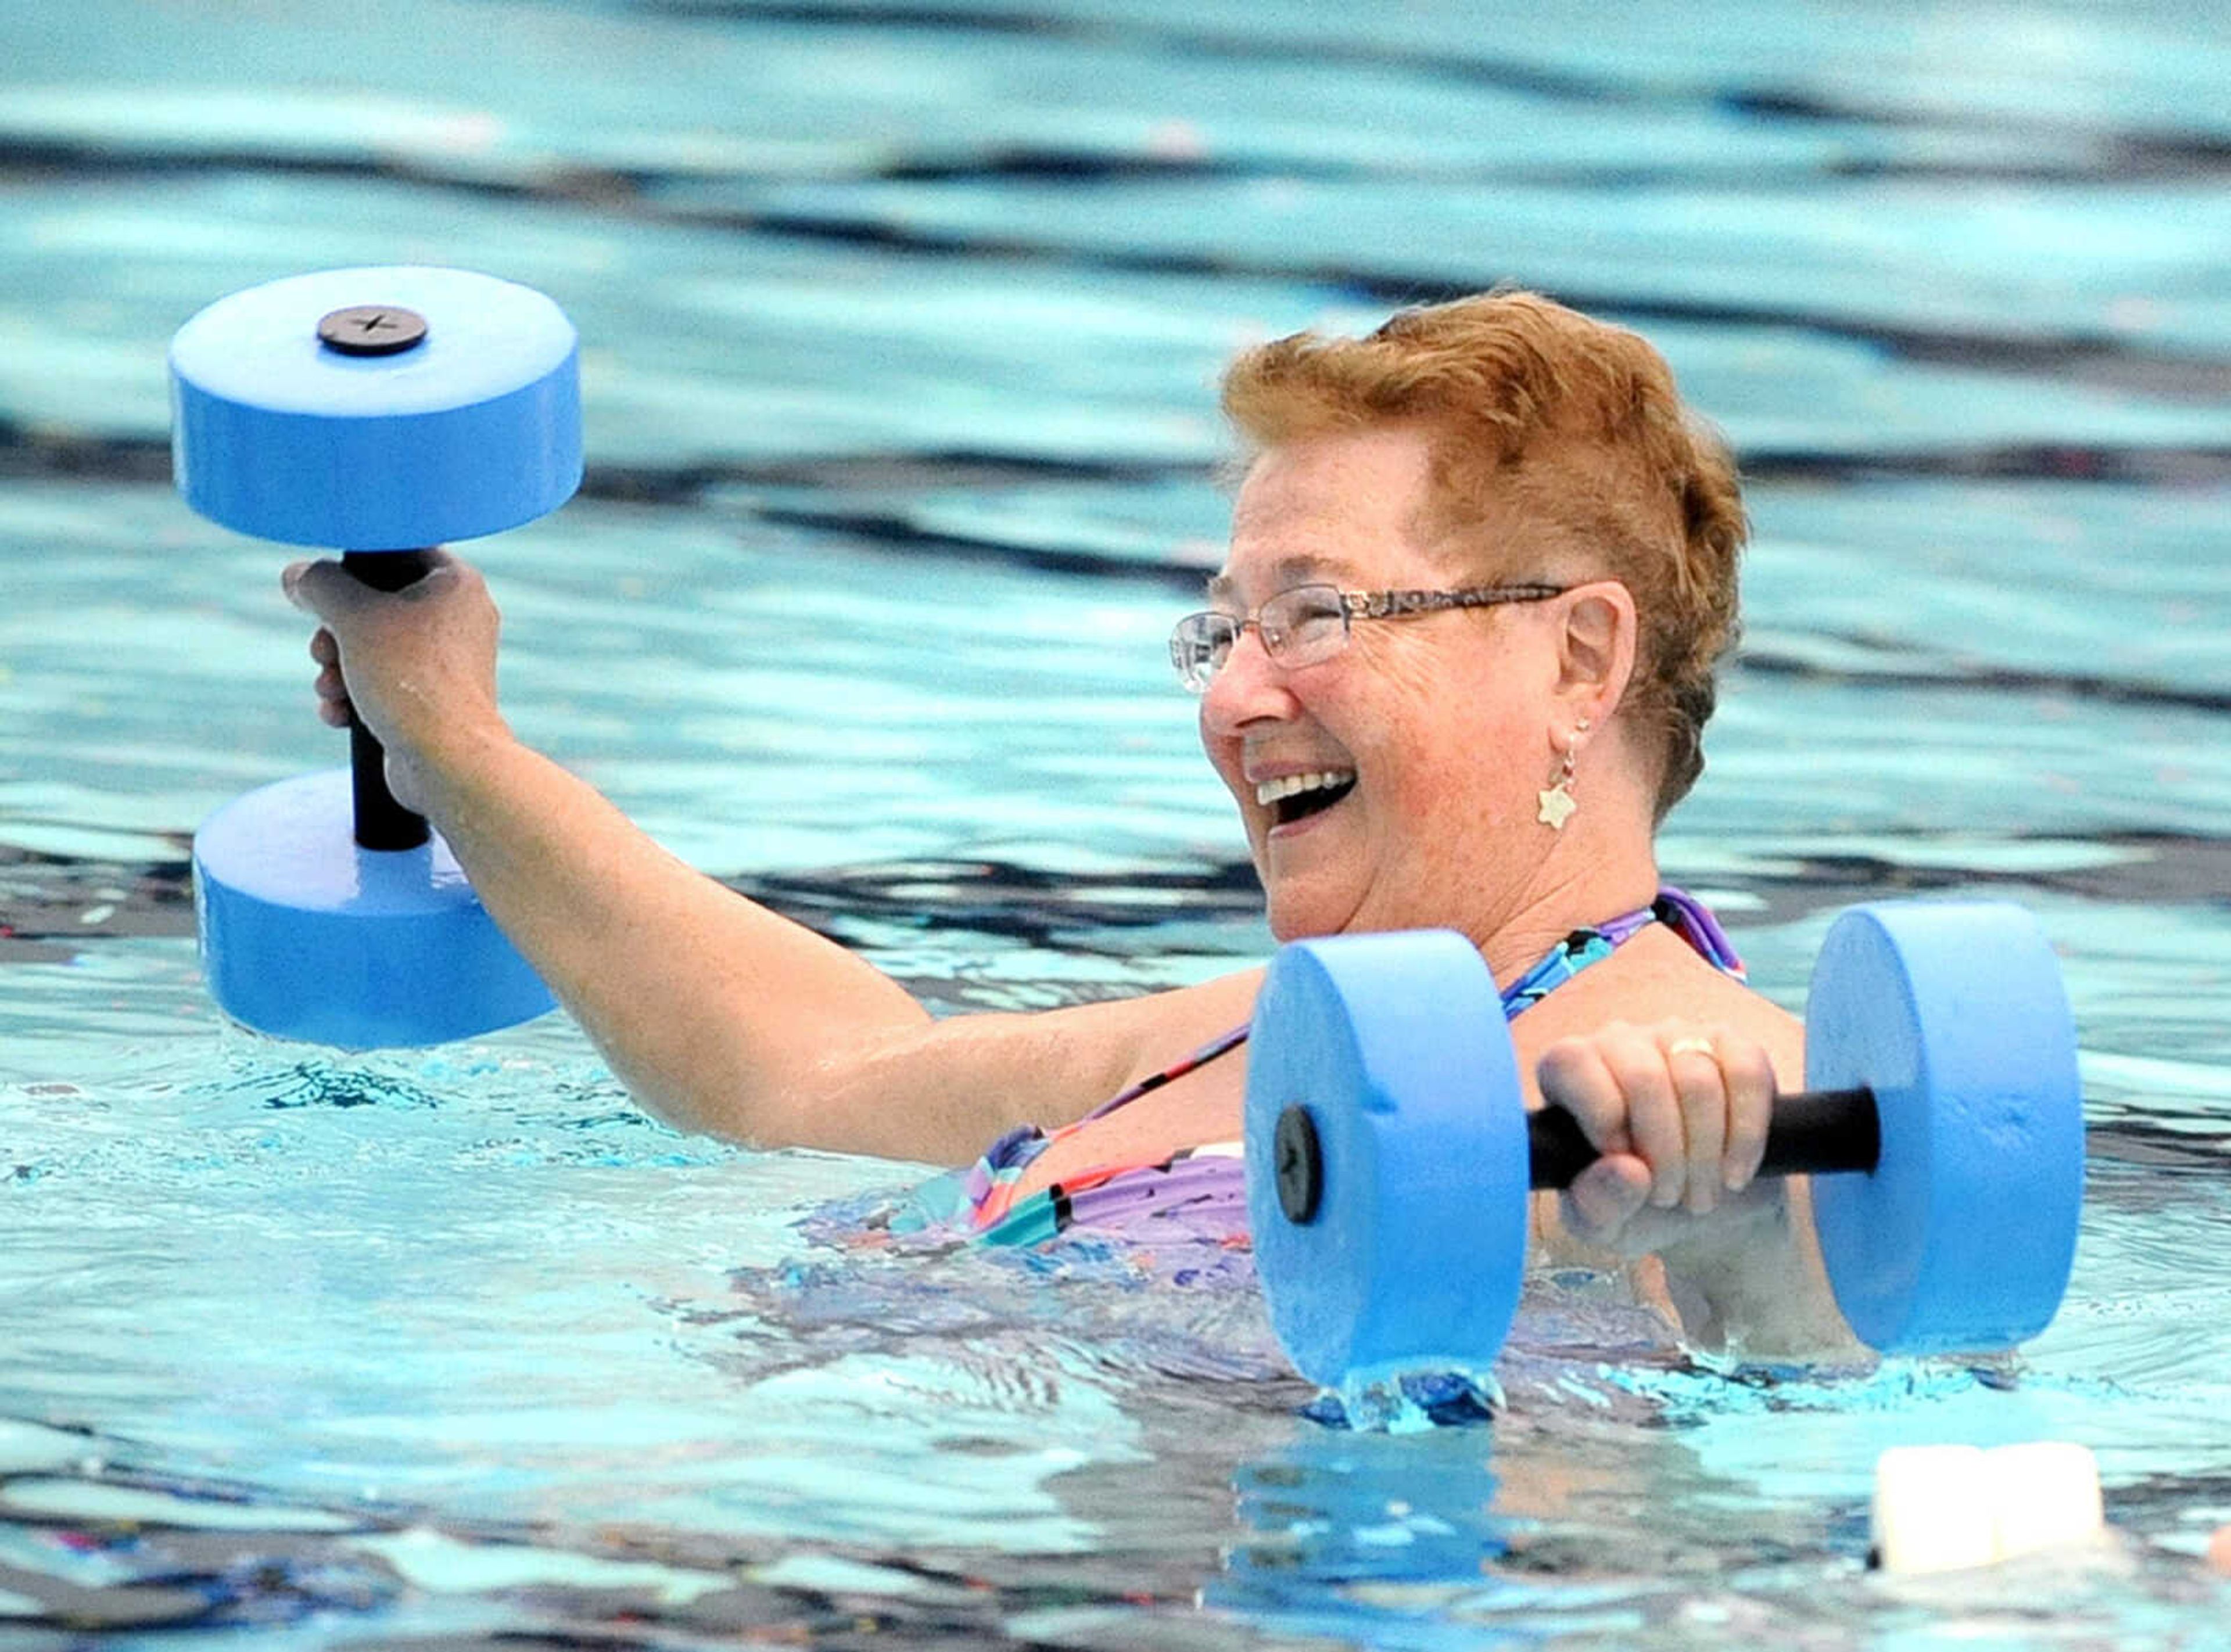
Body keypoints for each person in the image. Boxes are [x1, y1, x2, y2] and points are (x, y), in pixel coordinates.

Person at [285, 290, 1853, 1356]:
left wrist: (1753, 1276)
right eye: (1225, 628)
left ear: (1578, 656)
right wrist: (453, 740)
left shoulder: (1745, 1107)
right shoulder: (1269, 1038)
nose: (1235, 696)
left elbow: (1856, 1482)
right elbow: (803, 1076)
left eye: (1312, 615)